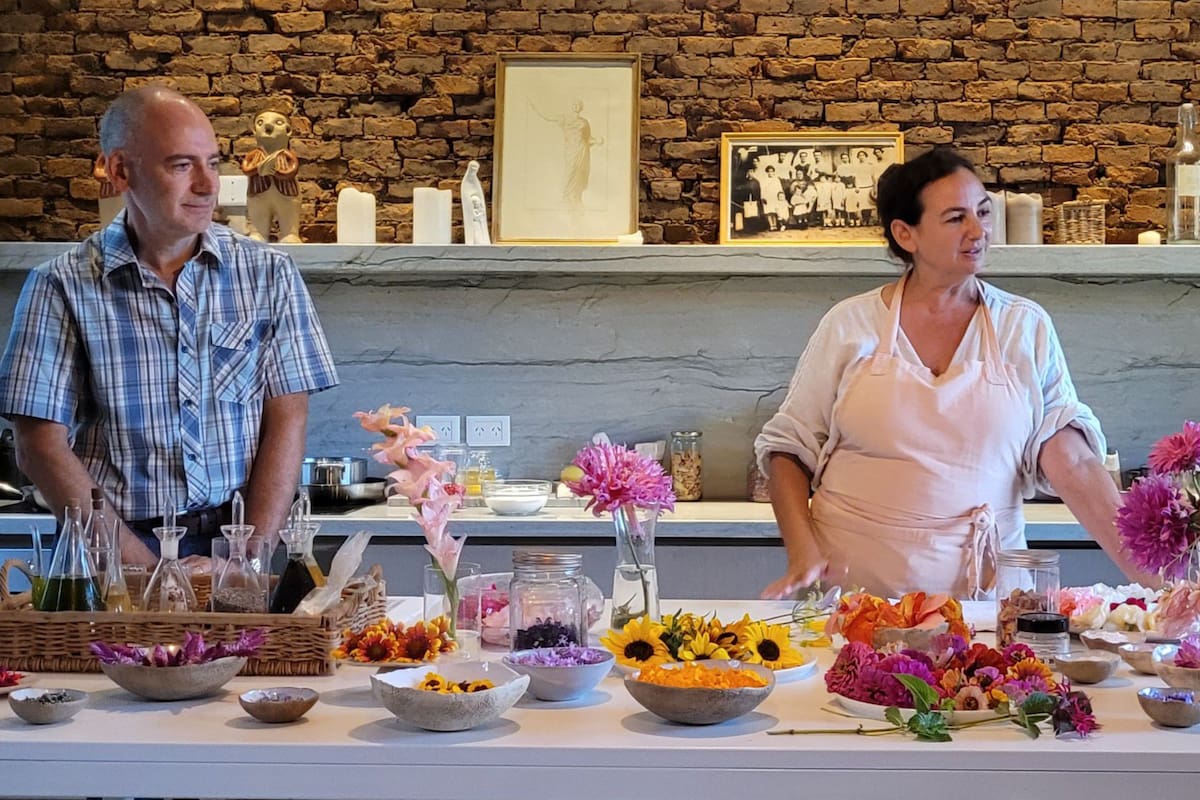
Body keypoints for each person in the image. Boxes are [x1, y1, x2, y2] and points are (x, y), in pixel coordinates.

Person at [754, 147, 1153, 600]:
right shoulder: (850, 325)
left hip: (988, 603)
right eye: (955, 218)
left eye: (983, 212)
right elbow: (788, 451)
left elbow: (1071, 457)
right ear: (906, 234)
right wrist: (803, 552)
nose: (978, 230)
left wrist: (1160, 579)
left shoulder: (1023, 326)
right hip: (855, 597)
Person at [0, 85, 339, 566]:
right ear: (121, 171)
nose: (207, 185)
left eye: (213, 163)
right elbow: (38, 447)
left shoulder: (269, 275)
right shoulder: (59, 286)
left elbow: (288, 418)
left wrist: (245, 558)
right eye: (182, 166)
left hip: (236, 543)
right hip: (108, 553)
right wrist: (145, 573)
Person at [530, 99, 602, 208]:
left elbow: (587, 138)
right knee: (570, 171)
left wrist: (597, 140)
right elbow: (547, 117)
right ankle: (565, 196)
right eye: (574, 104)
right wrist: (535, 108)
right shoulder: (564, 118)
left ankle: (576, 197)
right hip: (571, 150)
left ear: (581, 107)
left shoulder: (584, 122)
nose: (576, 106)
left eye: (579, 104)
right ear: (571, 106)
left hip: (582, 150)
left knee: (579, 173)